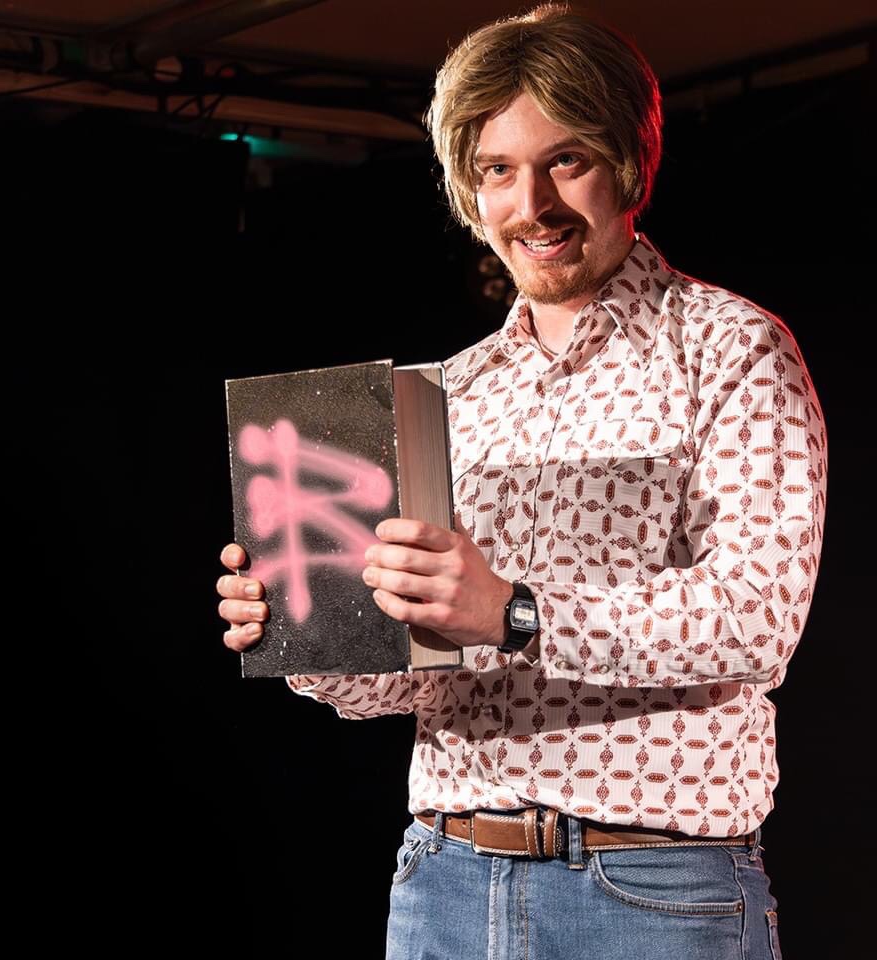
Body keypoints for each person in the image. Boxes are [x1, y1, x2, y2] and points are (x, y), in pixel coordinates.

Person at [217, 4, 827, 957]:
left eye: (565, 161)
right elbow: (412, 676)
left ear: (628, 161)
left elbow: (757, 616)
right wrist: (303, 621)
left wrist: (515, 612)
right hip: (446, 880)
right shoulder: (450, 390)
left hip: (651, 890)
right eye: (498, 170)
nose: (530, 203)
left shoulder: (731, 349)